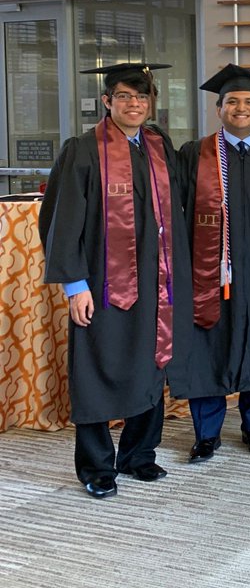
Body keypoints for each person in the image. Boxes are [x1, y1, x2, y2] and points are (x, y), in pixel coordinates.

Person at [39, 62, 193, 499]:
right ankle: (96, 466)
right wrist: (75, 285)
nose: (134, 104)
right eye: (124, 96)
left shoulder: (160, 148)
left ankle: (139, 455)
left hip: (158, 283)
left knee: (151, 362)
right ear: (107, 102)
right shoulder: (84, 151)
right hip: (105, 286)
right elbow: (60, 221)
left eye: (141, 98)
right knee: (97, 368)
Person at [178, 64, 250, 463]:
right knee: (209, 344)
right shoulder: (196, 154)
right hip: (211, 271)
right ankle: (206, 434)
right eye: (232, 101)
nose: (240, 108)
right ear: (219, 109)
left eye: (248, 101)